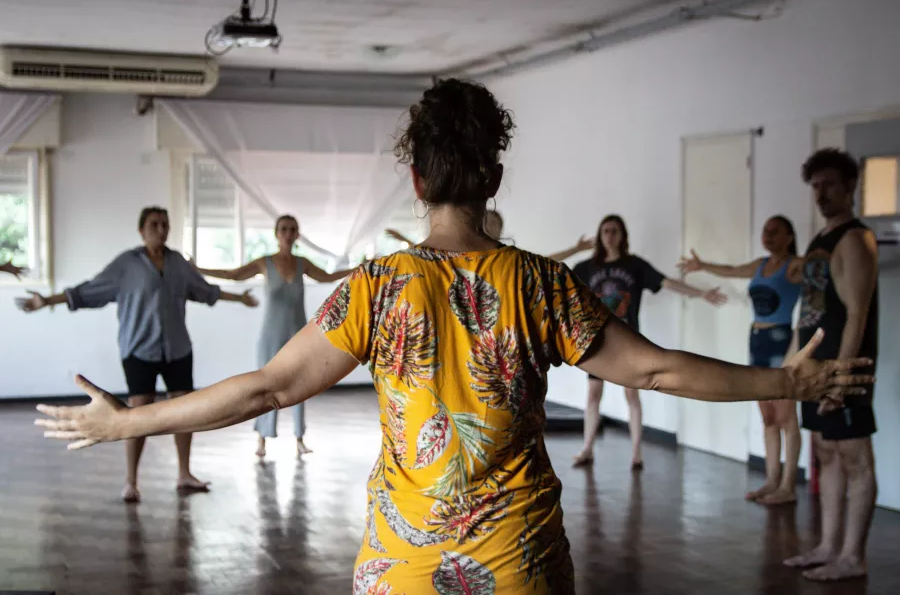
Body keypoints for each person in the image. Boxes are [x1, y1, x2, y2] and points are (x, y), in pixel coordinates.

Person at [34, 80, 871, 594]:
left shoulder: (378, 287)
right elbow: (656, 372)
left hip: (402, 565)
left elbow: (265, 389)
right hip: (520, 562)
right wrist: (788, 383)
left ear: (415, 178)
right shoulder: (540, 283)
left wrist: (126, 421)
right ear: (493, 178)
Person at [20, 206, 258, 503]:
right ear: (141, 230)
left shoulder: (178, 264)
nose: (161, 230)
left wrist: (240, 298)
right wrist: (47, 300)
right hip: (139, 350)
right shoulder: (127, 264)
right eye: (154, 224)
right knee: (136, 413)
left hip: (177, 349)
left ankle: (184, 473)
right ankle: (131, 480)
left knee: (186, 411)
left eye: (165, 224)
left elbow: (205, 290)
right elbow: (89, 291)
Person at [781, 149, 879, 582]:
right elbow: (809, 310)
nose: (821, 194)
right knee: (825, 453)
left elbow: (857, 313)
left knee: (855, 458)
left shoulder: (855, 239)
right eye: (815, 186)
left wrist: (841, 378)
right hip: (815, 369)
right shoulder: (820, 239)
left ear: (850, 186)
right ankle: (827, 546)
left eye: (829, 185)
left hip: (844, 371)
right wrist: (789, 368)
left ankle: (852, 556)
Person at [571, 214, 727, 470]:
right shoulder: (586, 268)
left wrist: (701, 293)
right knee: (593, 394)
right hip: (596, 340)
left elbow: (667, 282)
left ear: (622, 235)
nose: (610, 235)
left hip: (627, 341)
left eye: (614, 230)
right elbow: (560, 286)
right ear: (600, 235)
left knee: (631, 393)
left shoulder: (635, 265)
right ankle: (587, 448)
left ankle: (636, 452)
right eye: (605, 231)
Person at [193, 214, 353, 458]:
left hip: (299, 333)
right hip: (271, 334)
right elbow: (233, 274)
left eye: (292, 229)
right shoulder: (264, 263)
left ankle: (299, 438)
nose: (288, 233)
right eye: (284, 229)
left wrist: (361, 268)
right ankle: (262, 439)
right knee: (266, 385)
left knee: (301, 384)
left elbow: (328, 277)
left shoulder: (302, 263)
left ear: (297, 235)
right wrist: (197, 269)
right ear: (276, 234)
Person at [678, 215, 803, 505]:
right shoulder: (760, 264)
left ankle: (788, 486)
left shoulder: (794, 265)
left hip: (782, 342)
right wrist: (703, 265)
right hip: (757, 342)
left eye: (775, 231)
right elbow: (732, 270)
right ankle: (772, 480)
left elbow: (819, 269)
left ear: (789, 236)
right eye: (765, 230)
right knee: (768, 417)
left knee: (786, 417)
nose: (768, 235)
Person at [386, 210, 595, 262]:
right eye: (486, 221)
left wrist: (576, 249)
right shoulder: (463, 251)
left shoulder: (507, 256)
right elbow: (431, 256)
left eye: (494, 223)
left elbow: (546, 261)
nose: (489, 226)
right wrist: (403, 239)